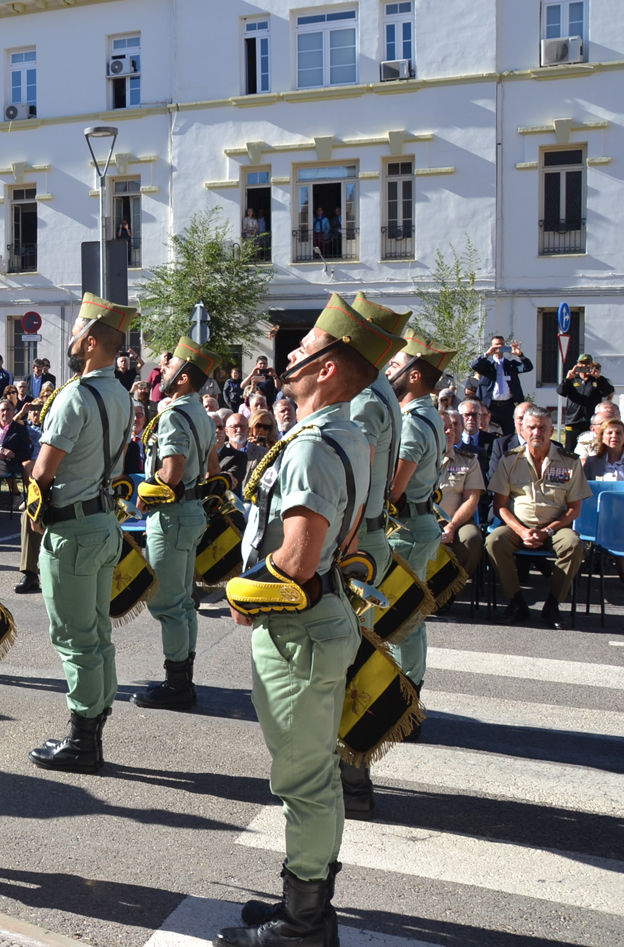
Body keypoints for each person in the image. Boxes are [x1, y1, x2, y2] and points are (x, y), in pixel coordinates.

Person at [215, 293, 397, 947]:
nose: (291, 351)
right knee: (311, 774)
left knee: (305, 779)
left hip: (299, 633)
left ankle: (304, 922)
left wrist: (243, 593)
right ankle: (304, 894)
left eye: (305, 346)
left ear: (327, 369)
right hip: (318, 625)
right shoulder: (347, 434)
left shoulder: (317, 445)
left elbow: (296, 558)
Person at [26, 293, 136, 774]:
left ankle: (83, 737)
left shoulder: (74, 395)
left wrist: (33, 502)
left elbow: (45, 471)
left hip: (72, 527)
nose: (69, 340)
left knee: (75, 638)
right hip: (104, 521)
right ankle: (95, 722)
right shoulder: (120, 392)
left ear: (90, 342)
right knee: (96, 632)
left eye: (74, 333)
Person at [133, 337, 222, 712]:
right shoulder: (201, 413)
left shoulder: (174, 415)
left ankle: (176, 684)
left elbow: (171, 472)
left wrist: (144, 495)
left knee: (168, 604)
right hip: (192, 512)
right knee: (185, 603)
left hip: (170, 516)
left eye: (170, 366)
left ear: (184, 378)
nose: (163, 368)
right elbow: (214, 469)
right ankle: (183, 678)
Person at [386, 333, 454, 691]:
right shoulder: (427, 414)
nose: (388, 371)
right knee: (410, 615)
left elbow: (395, 489)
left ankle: (405, 694)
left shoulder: (413, 421)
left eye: (395, 365)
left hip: (408, 527)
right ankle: (407, 689)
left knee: (404, 616)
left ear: (414, 375)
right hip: (419, 523)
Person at [486, 406, 589, 628]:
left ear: (552, 431)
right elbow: (500, 507)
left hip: (555, 529)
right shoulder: (509, 460)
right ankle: (516, 601)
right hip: (518, 527)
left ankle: (553, 604)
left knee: (574, 544)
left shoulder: (570, 462)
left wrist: (547, 531)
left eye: (542, 428)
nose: (536, 432)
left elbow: (574, 509)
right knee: (494, 541)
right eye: (531, 427)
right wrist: (522, 531)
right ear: (522, 430)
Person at [347, 294, 410, 618]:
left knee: (351, 645)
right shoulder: (378, 384)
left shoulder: (365, 395)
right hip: (371, 529)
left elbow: (360, 473)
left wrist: (347, 543)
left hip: (359, 536)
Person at [439, 412, 487, 578]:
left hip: (457, 521)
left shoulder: (468, 460)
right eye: (444, 428)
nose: (449, 432)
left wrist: (451, 527)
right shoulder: (416, 459)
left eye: (451, 428)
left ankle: (451, 590)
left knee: (471, 538)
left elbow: (471, 499)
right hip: (423, 520)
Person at [471, 335, 533, 437]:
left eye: (501, 345)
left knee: (508, 435)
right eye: (496, 345)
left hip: (507, 407)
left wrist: (520, 355)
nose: (499, 347)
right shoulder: (487, 365)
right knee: (487, 434)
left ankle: (506, 452)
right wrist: (487, 354)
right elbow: (474, 366)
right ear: (491, 347)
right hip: (490, 407)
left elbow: (528, 367)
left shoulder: (510, 365)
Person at [558, 354, 613, 452]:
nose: (584, 366)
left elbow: (608, 391)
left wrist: (598, 378)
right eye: (581, 363)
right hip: (573, 421)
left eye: (587, 364)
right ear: (577, 364)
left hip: (590, 422)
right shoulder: (572, 380)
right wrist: (568, 379)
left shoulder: (597, 380)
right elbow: (561, 392)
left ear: (591, 365)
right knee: (570, 452)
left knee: (592, 449)